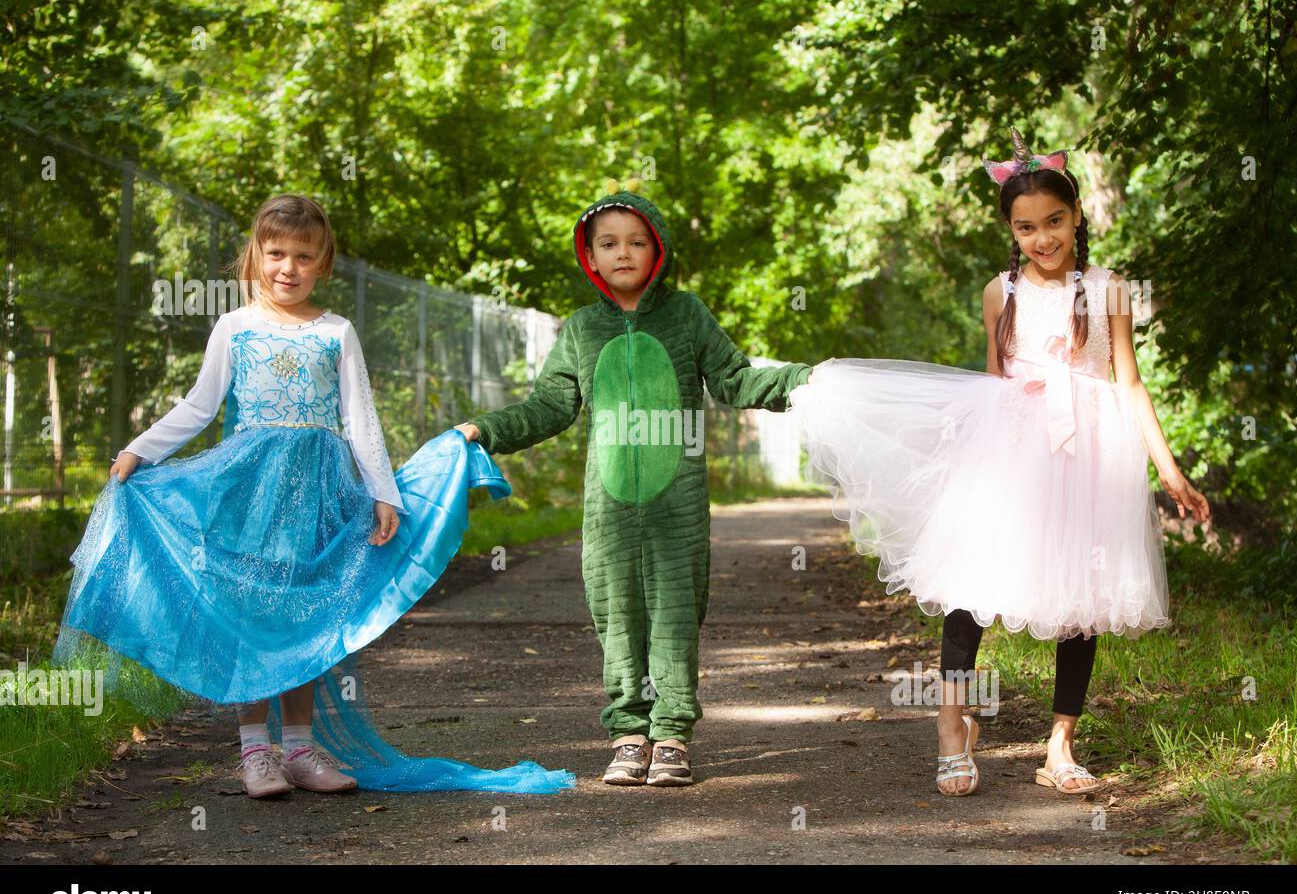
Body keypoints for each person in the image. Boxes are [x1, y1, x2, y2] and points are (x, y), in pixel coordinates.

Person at [55, 194, 574, 798]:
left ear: (323, 264)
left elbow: (360, 419)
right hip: (248, 492)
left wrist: (384, 493)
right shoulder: (236, 326)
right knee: (253, 614)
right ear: (255, 256)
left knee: (305, 615)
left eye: (304, 257)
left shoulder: (336, 331)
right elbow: (200, 405)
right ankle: (256, 754)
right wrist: (141, 450)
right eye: (275, 253)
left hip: (320, 496)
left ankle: (299, 748)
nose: (288, 268)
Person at [790, 128, 1211, 797]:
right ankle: (952, 727)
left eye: (1054, 222)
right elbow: (991, 384)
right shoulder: (1000, 293)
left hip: (1091, 455)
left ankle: (1060, 745)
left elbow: (1129, 382)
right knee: (970, 590)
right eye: (1026, 228)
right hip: (1010, 450)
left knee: (1083, 600)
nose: (1043, 239)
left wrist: (1170, 469)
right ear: (1009, 231)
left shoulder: (1109, 291)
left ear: (1077, 217)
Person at [456, 186, 813, 786]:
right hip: (610, 511)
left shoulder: (688, 315)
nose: (624, 253)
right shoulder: (580, 331)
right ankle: (627, 732)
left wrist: (803, 381)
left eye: (637, 241)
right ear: (590, 257)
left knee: (675, 612)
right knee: (616, 613)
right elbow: (549, 407)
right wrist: (484, 430)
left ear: (659, 250)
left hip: (679, 507)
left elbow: (734, 379)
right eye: (608, 244)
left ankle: (671, 733)